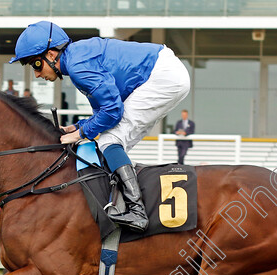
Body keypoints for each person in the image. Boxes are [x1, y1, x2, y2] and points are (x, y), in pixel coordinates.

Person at [10, 21, 190, 232]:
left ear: (51, 55)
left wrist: (81, 133)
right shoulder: (76, 58)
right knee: (111, 142)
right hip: (164, 72)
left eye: (36, 65)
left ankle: (137, 212)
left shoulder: (77, 67)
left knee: (110, 140)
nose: (37, 74)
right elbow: (104, 112)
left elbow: (113, 111)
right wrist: (78, 126)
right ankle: (121, 203)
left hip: (163, 76)